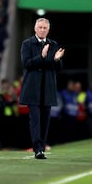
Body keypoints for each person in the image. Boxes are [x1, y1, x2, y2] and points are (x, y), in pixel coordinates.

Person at [19, 18, 65, 159]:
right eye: (40, 27)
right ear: (35, 29)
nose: (42, 30)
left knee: (45, 120)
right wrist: (42, 56)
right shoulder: (27, 44)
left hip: (47, 87)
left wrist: (57, 60)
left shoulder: (53, 44)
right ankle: (37, 148)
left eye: (45, 28)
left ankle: (42, 147)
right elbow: (26, 64)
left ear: (48, 30)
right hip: (33, 88)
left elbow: (58, 68)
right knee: (35, 119)